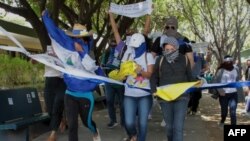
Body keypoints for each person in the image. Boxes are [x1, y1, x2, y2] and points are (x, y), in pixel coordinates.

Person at [42, 10, 102, 141]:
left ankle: (94, 130)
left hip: (85, 95)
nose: (77, 39)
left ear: (84, 37)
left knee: (87, 122)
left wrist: (81, 52)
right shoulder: (66, 45)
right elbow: (55, 32)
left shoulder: (88, 50)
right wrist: (45, 17)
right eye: (75, 37)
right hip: (70, 93)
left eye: (79, 37)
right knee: (73, 125)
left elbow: (91, 67)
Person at [150, 37, 194, 141]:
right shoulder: (160, 60)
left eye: (172, 49)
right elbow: (154, 77)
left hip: (182, 98)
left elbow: (189, 77)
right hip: (165, 98)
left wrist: (196, 84)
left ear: (177, 48)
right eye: (167, 49)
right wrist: (153, 90)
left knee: (178, 127)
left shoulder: (184, 59)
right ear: (164, 50)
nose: (169, 51)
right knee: (169, 128)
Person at [122, 33, 155, 141]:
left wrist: (140, 71)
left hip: (144, 95)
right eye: (133, 46)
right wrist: (123, 74)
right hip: (129, 94)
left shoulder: (148, 56)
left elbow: (150, 75)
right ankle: (133, 135)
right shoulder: (127, 55)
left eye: (137, 46)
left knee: (143, 123)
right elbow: (122, 74)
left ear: (143, 45)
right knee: (128, 122)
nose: (134, 48)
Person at [44, 45, 67, 141]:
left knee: (56, 107)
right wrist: (34, 59)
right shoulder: (47, 51)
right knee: (50, 109)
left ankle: (53, 134)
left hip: (61, 82)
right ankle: (62, 120)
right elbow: (35, 61)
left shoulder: (64, 51)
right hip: (49, 81)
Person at [102, 39, 125, 128]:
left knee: (122, 103)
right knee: (109, 101)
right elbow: (102, 64)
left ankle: (123, 121)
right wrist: (105, 66)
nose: (113, 47)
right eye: (111, 45)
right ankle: (113, 120)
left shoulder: (122, 53)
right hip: (108, 81)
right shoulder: (107, 53)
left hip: (119, 82)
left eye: (115, 45)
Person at [214, 55, 241, 126]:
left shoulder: (236, 69)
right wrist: (220, 91)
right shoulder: (221, 71)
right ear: (224, 62)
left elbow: (237, 80)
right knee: (224, 112)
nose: (229, 62)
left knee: (233, 112)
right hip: (224, 94)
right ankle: (222, 120)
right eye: (227, 61)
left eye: (230, 61)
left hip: (233, 94)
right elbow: (216, 81)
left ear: (232, 61)